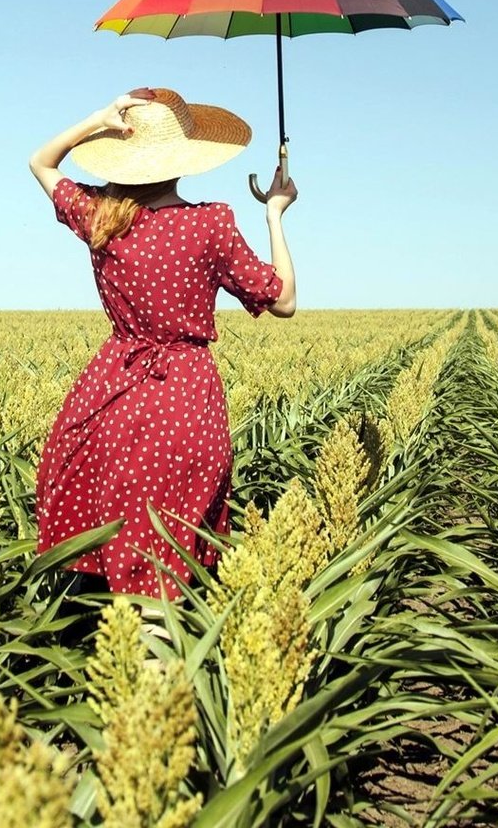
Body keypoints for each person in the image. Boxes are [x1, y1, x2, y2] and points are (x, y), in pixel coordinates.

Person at [28, 87, 297, 600]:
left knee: (116, 535)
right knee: (163, 557)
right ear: (185, 159)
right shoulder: (210, 224)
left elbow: (41, 162)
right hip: (184, 398)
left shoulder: (99, 216)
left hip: (113, 393)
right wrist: (275, 214)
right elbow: (282, 301)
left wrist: (97, 119)